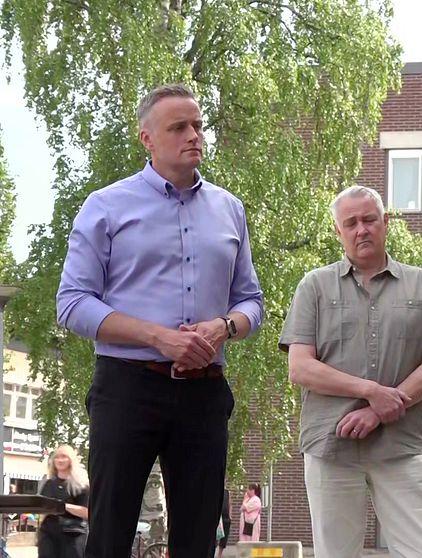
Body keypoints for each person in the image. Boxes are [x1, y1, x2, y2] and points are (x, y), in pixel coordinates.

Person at [55, 83, 264, 557]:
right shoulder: (106, 205)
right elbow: (72, 302)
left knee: (198, 539)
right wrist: (158, 337)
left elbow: (251, 301)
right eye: (179, 127)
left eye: (198, 126)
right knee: (109, 534)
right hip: (128, 388)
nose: (194, 135)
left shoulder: (230, 210)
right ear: (147, 139)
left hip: (205, 392)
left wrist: (223, 326)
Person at [281, 185, 422, 558]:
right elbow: (301, 367)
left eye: (369, 219)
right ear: (338, 231)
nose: (362, 229)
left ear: (385, 223)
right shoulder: (314, 286)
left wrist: (378, 410)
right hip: (330, 444)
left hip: (399, 444)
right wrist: (371, 390)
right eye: (351, 222)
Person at [38, 445, 90, 558]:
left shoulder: (81, 484)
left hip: (73, 533)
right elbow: (41, 508)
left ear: (71, 460)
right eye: (57, 457)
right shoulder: (48, 484)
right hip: (49, 533)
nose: (60, 460)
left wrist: (62, 506)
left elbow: (87, 512)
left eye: (64, 457)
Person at [210, 487, 232, 556]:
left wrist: (230, 514)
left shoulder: (228, 492)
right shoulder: (215, 491)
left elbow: (230, 504)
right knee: (215, 536)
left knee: (224, 537)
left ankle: (220, 554)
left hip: (226, 517)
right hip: (218, 516)